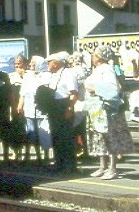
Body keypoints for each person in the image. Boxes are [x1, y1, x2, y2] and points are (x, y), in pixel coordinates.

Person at [85, 45, 134, 179]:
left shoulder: (107, 69)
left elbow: (112, 89)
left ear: (100, 57)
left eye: (94, 55)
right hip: (97, 110)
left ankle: (112, 168)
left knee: (109, 137)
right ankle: (102, 166)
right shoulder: (98, 69)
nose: (92, 58)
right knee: (100, 138)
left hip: (107, 110)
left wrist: (94, 89)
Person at [46, 52, 79, 173]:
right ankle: (59, 163)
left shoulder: (68, 73)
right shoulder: (54, 75)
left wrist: (69, 108)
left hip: (64, 105)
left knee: (66, 137)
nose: (48, 65)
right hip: (54, 107)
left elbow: (74, 93)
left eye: (49, 62)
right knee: (56, 136)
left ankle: (70, 165)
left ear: (55, 63)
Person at [17, 55, 52, 162]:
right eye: (31, 62)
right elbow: (23, 92)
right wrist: (20, 105)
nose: (31, 64)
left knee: (44, 133)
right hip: (29, 109)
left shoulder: (47, 76)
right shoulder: (28, 76)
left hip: (43, 110)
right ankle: (36, 157)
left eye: (33, 62)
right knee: (31, 133)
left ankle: (46, 155)